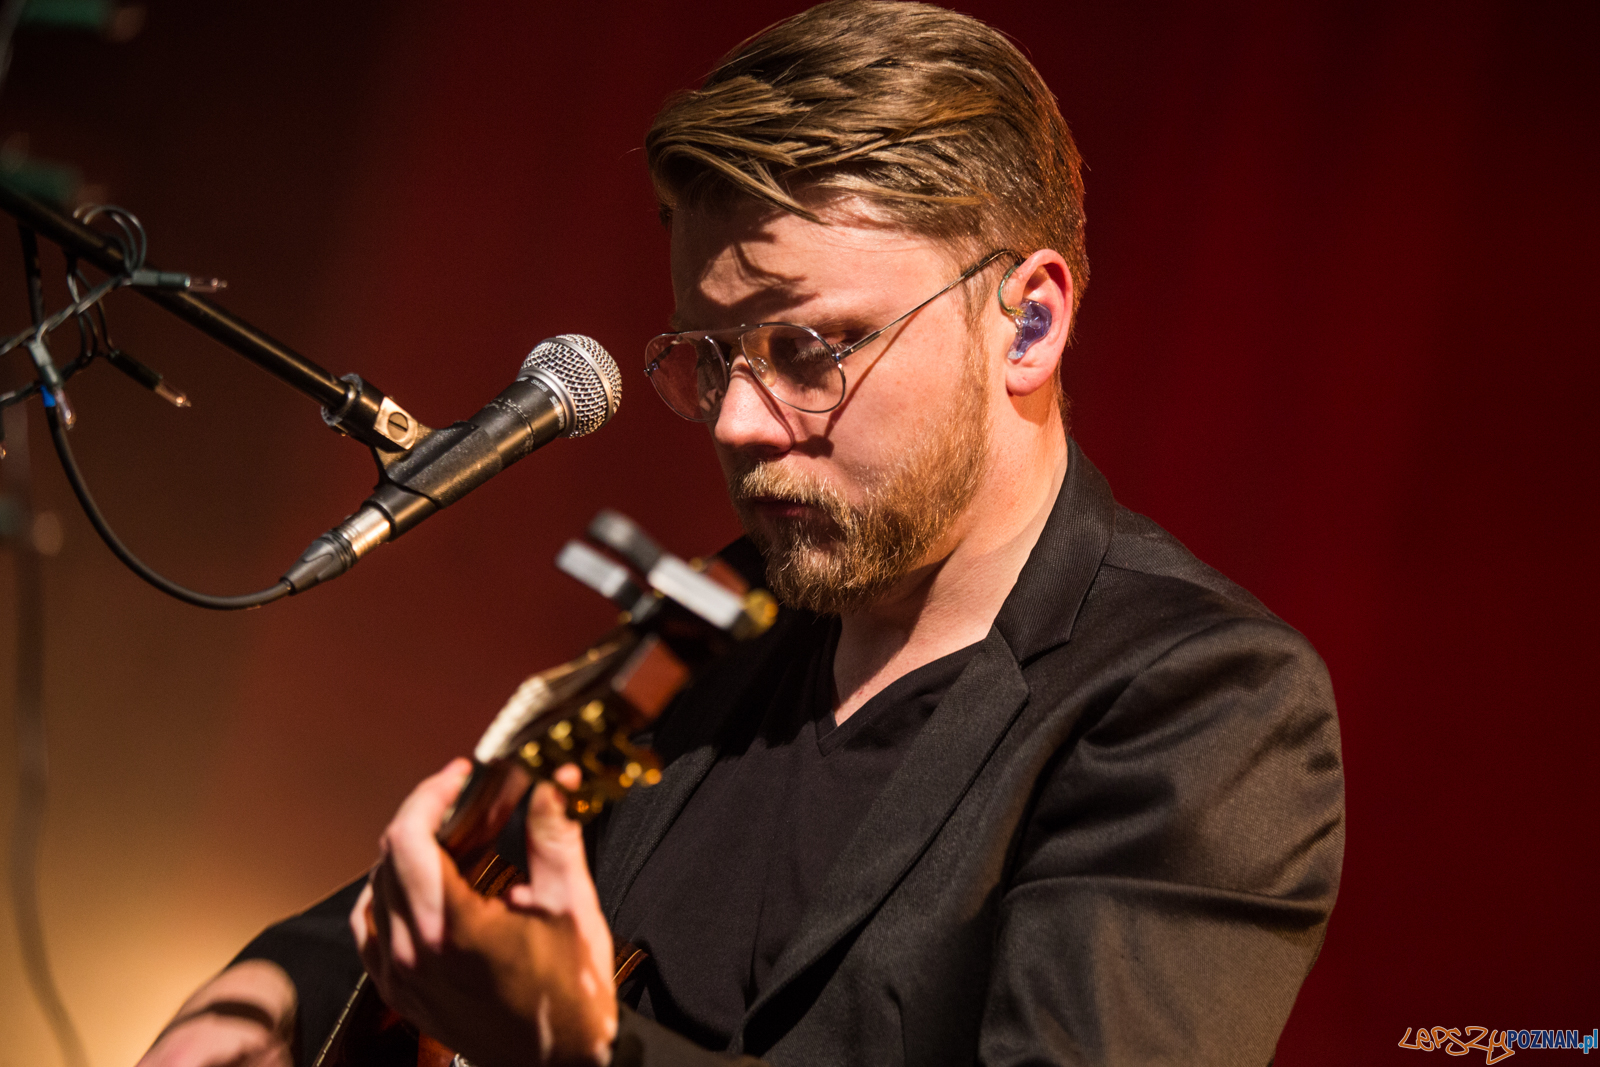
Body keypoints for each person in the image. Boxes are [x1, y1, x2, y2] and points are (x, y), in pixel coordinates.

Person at [139, 3, 1344, 1066]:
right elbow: (473, 884)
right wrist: (270, 993)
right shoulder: (717, 621)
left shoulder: (1203, 703)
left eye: (810, 347)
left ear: (1025, 323)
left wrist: (579, 1050)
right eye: (707, 355)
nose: (737, 420)